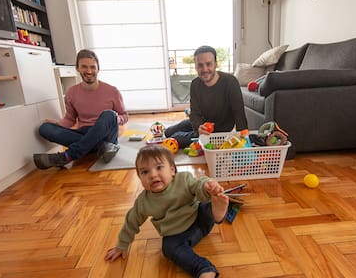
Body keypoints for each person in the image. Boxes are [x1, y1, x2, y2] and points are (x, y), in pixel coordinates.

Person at [104, 145, 229, 278]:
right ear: (139, 178)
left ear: (172, 170)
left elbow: (198, 185)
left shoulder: (184, 179)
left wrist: (207, 186)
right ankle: (204, 269)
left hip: (199, 219)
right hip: (176, 235)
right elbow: (131, 222)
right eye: (145, 172)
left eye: (159, 167)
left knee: (206, 202)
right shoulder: (143, 202)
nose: (152, 175)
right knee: (168, 248)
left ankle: (217, 211)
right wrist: (121, 245)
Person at [33, 49, 128, 170]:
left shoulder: (112, 91)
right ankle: (100, 148)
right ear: (77, 68)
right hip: (84, 132)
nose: (89, 71)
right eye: (84, 67)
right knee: (45, 128)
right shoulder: (71, 92)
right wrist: (57, 124)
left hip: (107, 134)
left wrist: (115, 118)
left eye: (93, 67)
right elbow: (70, 119)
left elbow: (124, 116)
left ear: (98, 69)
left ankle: (67, 156)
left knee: (108, 114)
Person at [165, 45, 248, 148]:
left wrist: (244, 139)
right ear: (196, 67)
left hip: (217, 133)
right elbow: (194, 113)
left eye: (208, 64)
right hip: (201, 126)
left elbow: (239, 114)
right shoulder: (195, 84)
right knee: (168, 132)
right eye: (200, 65)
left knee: (175, 138)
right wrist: (199, 126)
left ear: (215, 64)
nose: (204, 69)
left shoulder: (230, 82)